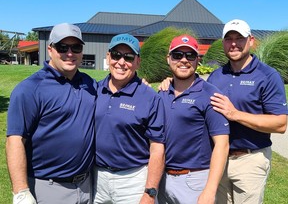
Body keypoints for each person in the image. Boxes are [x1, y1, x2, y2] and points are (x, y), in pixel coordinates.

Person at [6, 23, 97, 204]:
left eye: (76, 47)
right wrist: (21, 190)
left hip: (87, 185)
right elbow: (15, 140)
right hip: (48, 188)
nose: (70, 53)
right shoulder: (30, 89)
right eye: (63, 47)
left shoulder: (91, 84)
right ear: (50, 49)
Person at [207, 19, 288, 204]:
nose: (234, 43)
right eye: (229, 39)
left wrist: (234, 114)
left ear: (251, 40)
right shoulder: (216, 76)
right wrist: (169, 83)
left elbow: (280, 124)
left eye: (239, 38)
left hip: (250, 160)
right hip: (218, 159)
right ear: (223, 43)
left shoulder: (268, 76)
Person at [93, 33, 166, 204]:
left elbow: (157, 148)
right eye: (116, 55)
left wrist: (150, 192)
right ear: (108, 57)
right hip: (97, 178)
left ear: (137, 62)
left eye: (128, 57)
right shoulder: (94, 90)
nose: (121, 62)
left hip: (133, 180)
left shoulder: (150, 97)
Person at [157, 34, 230, 204]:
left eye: (190, 55)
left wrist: (210, 191)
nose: (183, 60)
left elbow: (222, 144)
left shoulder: (210, 94)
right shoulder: (161, 93)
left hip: (195, 181)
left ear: (198, 60)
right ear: (168, 59)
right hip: (162, 179)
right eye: (177, 55)